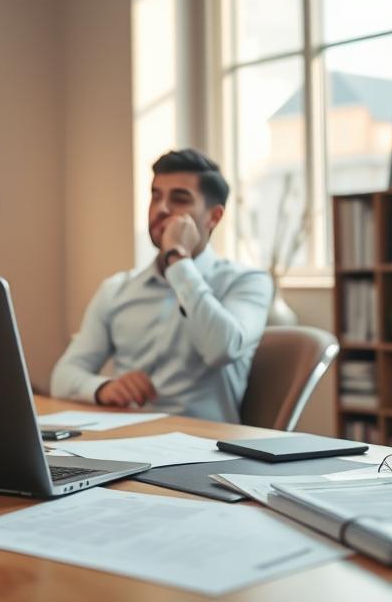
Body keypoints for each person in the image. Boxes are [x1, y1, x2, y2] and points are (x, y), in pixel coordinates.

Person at [50, 149, 272, 423]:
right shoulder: (116, 289)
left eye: (179, 199)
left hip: (203, 448)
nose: (161, 209)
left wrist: (178, 258)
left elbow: (221, 349)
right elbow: (63, 376)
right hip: (125, 439)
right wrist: (103, 388)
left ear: (213, 217)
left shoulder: (247, 282)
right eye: (156, 196)